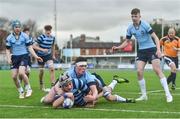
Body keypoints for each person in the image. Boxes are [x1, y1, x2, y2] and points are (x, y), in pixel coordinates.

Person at [112, 8, 173, 102]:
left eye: (135, 16)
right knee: (139, 71)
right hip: (141, 51)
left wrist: (158, 50)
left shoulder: (145, 24)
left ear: (140, 16)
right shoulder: (130, 28)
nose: (134, 18)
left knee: (157, 70)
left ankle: (168, 94)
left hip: (152, 49)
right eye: (132, 16)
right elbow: (127, 41)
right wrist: (118, 47)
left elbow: (156, 38)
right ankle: (144, 95)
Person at [6, 20, 43, 99]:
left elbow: (30, 47)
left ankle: (29, 88)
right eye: (16, 27)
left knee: (22, 73)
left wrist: (36, 56)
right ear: (13, 28)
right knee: (14, 77)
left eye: (19, 27)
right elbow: (7, 50)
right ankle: (21, 91)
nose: (18, 28)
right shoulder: (9, 37)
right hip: (14, 58)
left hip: (23, 56)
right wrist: (9, 59)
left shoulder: (25, 36)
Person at [34, 25, 56, 91]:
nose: (48, 32)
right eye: (47, 30)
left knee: (52, 68)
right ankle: (41, 83)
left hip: (48, 55)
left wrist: (53, 55)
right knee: (41, 71)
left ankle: (53, 86)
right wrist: (42, 49)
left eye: (49, 30)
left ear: (51, 30)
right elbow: (34, 46)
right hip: (40, 55)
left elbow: (53, 46)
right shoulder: (41, 37)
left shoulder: (53, 38)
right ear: (45, 30)